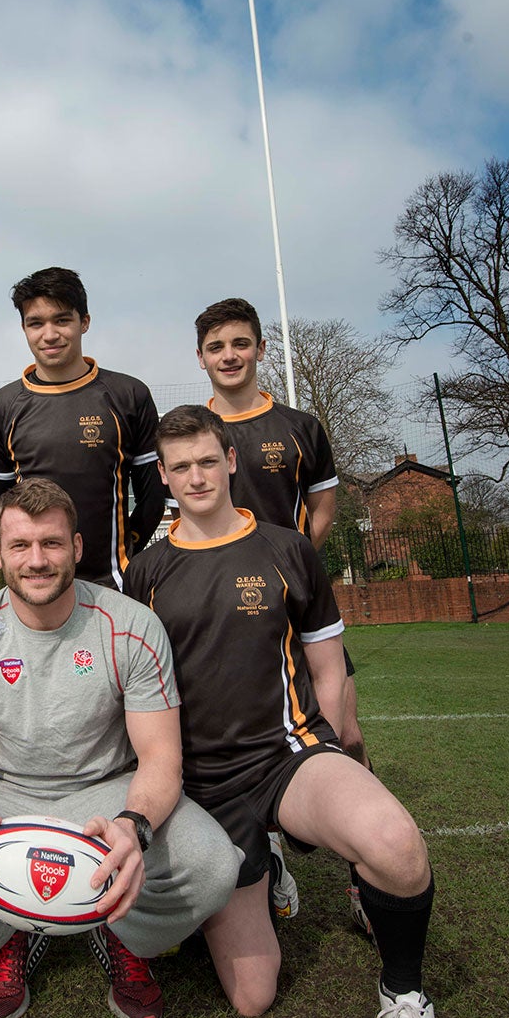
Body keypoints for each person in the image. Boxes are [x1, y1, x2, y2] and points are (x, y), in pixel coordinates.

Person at [124, 405, 447, 1018]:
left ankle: (406, 997)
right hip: (199, 783)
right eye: (179, 467)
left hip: (286, 754)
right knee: (251, 996)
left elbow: (329, 669)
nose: (195, 476)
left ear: (231, 460)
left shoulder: (286, 547)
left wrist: (333, 755)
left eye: (207, 461)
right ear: (165, 477)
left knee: (396, 844)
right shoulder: (145, 569)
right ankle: (253, 867)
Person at [0, 477, 241, 1018]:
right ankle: (11, 929)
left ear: (77, 548)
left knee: (213, 866)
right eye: (19, 545)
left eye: (51, 544)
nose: (36, 560)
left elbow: (160, 760)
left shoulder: (131, 626)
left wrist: (134, 825)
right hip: (4, 797)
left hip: (108, 796)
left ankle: (119, 931)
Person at [194, 296, 370, 928]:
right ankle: (262, 856)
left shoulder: (300, 426)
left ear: (261, 348)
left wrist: (285, 576)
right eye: (216, 347)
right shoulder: (191, 430)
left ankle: (364, 883)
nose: (229, 356)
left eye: (240, 343)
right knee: (228, 744)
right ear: (201, 357)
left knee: (345, 734)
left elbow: (321, 513)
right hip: (223, 625)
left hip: (295, 614)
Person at [0, 267, 165, 589]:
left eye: (62, 320)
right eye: (35, 323)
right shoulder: (2, 406)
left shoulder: (128, 395)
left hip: (113, 584)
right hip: (37, 586)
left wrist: (127, 545)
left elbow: (151, 497)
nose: (49, 334)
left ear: (85, 322)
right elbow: (1, 504)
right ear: (24, 328)